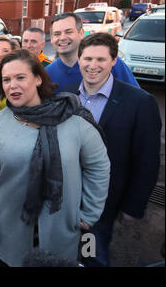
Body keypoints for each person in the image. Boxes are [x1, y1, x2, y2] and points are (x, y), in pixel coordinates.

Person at [0, 49, 111, 267]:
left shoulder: (73, 119)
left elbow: (99, 166)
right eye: (6, 80)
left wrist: (89, 213)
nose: (12, 85)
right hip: (8, 233)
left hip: (61, 233)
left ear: (38, 78)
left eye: (20, 77)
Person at [61, 33, 162, 267]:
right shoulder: (65, 94)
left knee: (90, 255)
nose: (92, 66)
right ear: (79, 59)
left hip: (103, 205)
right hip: (64, 198)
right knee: (63, 253)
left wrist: (133, 206)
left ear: (114, 61)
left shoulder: (139, 102)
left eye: (101, 59)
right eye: (87, 59)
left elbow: (147, 161)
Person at [45, 12, 140, 92]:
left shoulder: (110, 64)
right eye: (57, 34)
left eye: (69, 32)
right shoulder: (48, 73)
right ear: (52, 39)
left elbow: (137, 98)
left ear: (81, 33)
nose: (62, 38)